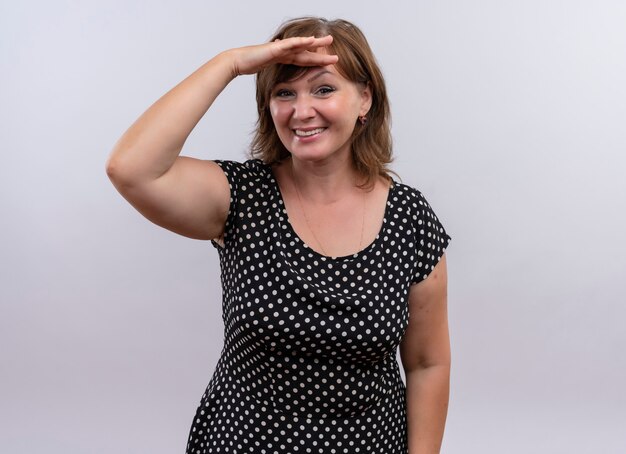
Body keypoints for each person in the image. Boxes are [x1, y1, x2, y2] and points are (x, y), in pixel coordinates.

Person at [106, 16, 451, 454]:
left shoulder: (410, 218)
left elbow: (427, 364)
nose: (301, 110)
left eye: (324, 89)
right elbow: (130, 168)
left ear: (365, 98)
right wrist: (230, 63)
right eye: (284, 92)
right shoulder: (241, 197)